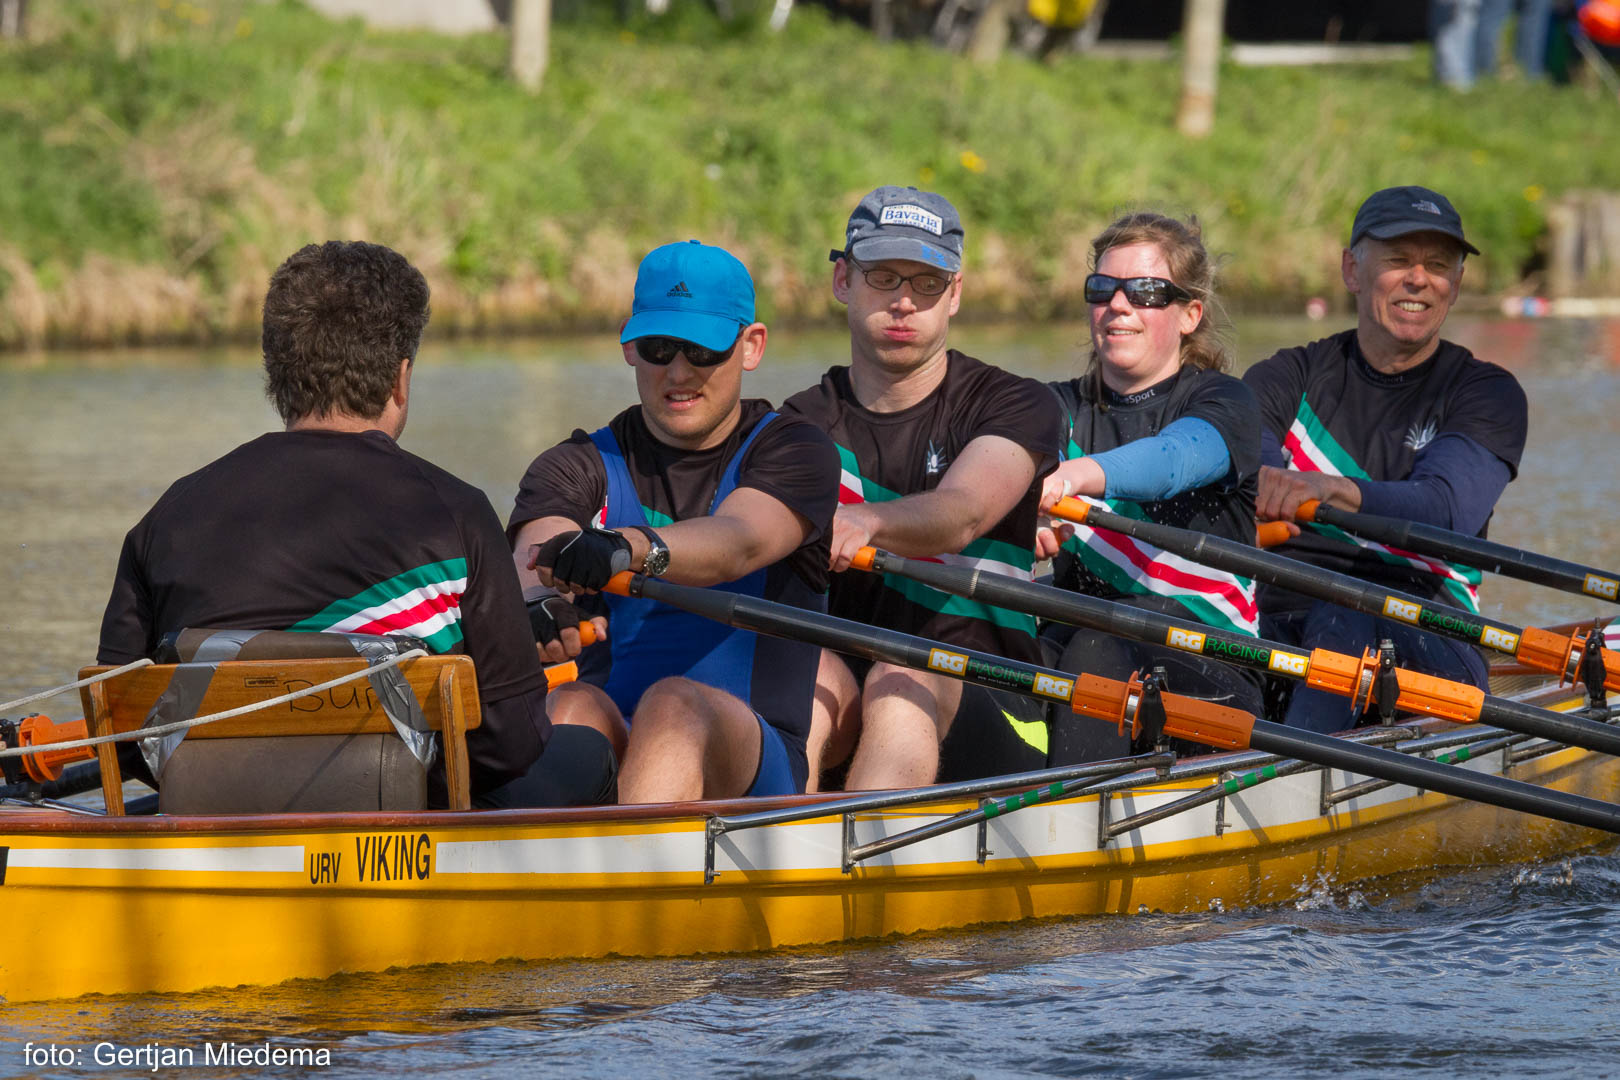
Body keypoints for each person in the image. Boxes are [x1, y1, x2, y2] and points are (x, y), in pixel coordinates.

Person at [97, 241, 615, 808]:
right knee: (589, 750)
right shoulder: (455, 512)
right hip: (399, 822)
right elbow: (511, 742)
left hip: (217, 814)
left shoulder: (168, 516)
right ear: (400, 378)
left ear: (275, 374)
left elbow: (121, 734)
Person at [508, 240, 840, 804]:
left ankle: (625, 852)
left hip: (753, 762)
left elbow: (739, 543)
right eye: (659, 348)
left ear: (751, 346)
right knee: (568, 705)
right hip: (615, 731)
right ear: (629, 344)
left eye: (702, 350)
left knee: (673, 704)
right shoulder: (576, 464)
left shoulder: (797, 451)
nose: (678, 372)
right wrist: (539, 599)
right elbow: (536, 550)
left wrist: (627, 547)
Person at [784, 186, 1064, 791]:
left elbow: (963, 514)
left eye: (927, 283)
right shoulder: (797, 426)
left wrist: (869, 521)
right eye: (883, 277)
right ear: (843, 280)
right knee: (802, 677)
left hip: (999, 706)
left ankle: (863, 843)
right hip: (846, 707)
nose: (904, 301)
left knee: (900, 673)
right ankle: (773, 840)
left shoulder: (1016, 404)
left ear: (955, 293)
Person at [1243, 186, 1528, 733]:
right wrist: (1263, 480)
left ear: (1456, 285)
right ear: (1352, 270)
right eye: (1398, 260)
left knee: (1345, 611)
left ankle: (1293, 768)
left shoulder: (1487, 394)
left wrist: (1329, 489)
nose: (1419, 279)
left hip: (1427, 631)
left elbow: (1446, 508)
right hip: (1281, 622)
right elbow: (1245, 462)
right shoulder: (1286, 376)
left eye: (1438, 266)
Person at [1035, 212, 1263, 763]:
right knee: (1002, 654)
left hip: (1213, 664)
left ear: (1189, 314)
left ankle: (1069, 810)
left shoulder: (1225, 402)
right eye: (1102, 288)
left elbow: (1170, 463)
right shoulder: (1051, 408)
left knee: (1099, 644)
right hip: (1081, 646)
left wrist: (1070, 478)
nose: (1118, 305)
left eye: (1144, 292)